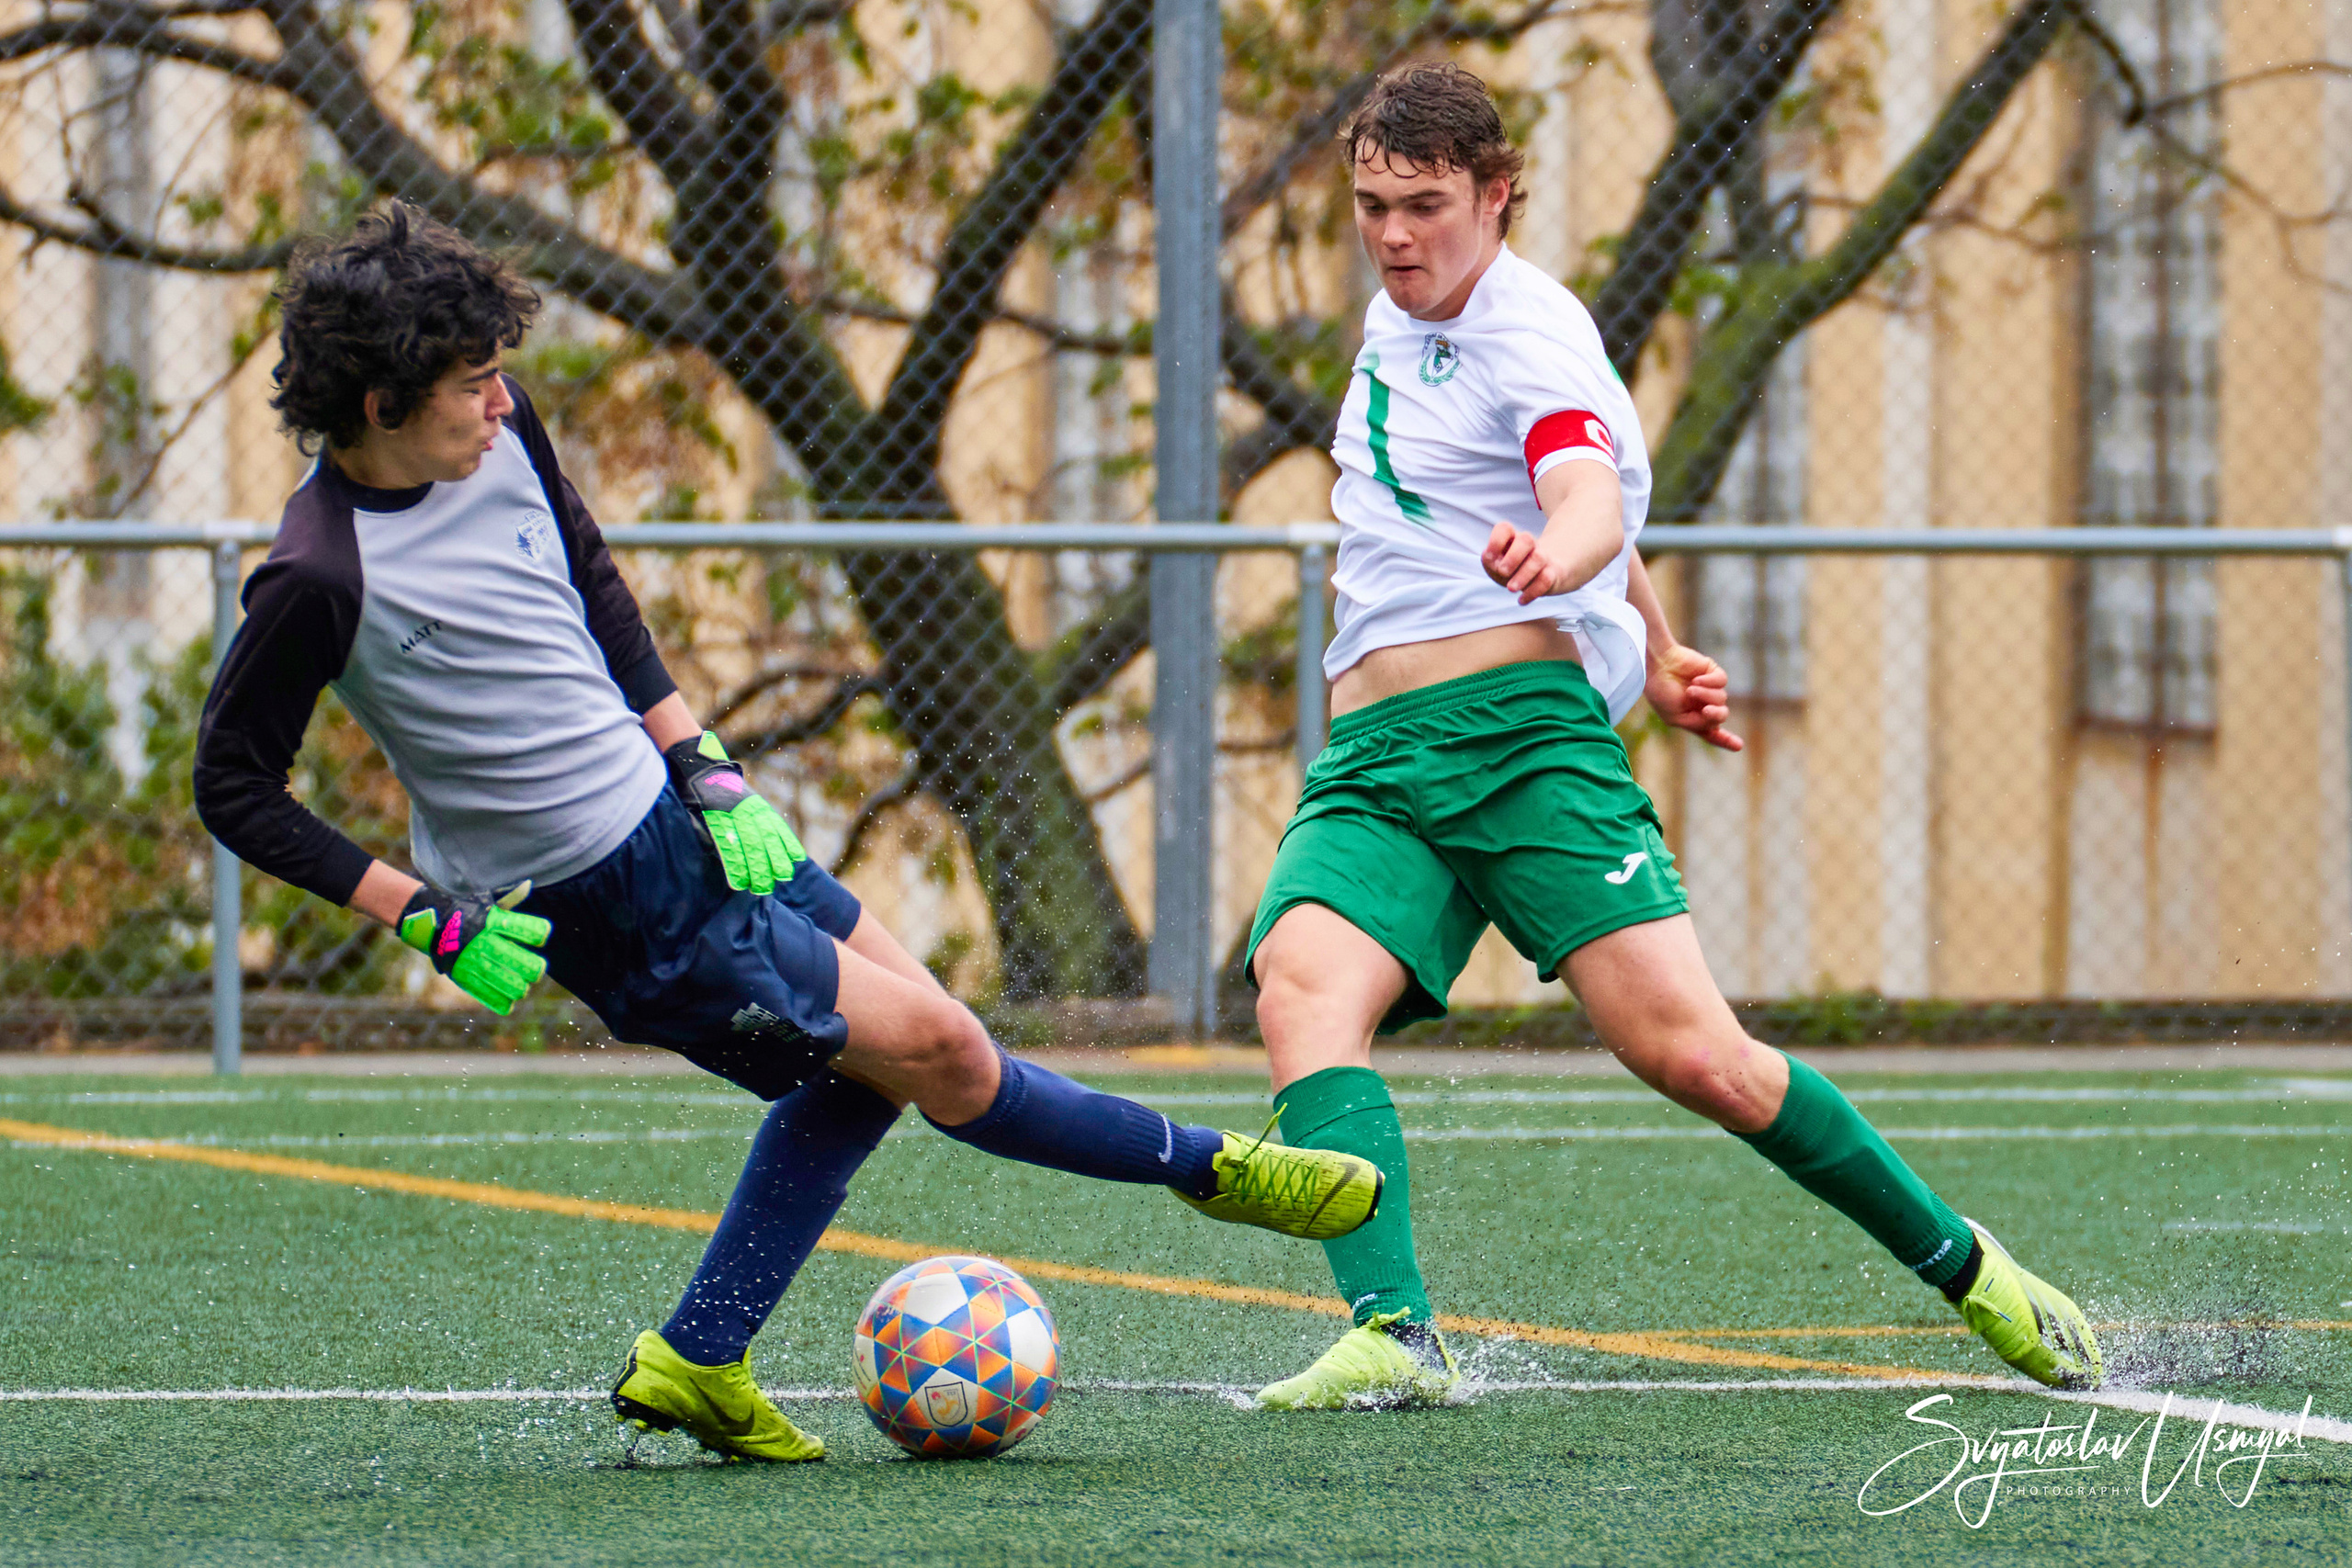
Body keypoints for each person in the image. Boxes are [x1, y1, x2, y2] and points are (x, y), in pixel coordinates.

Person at [194, 205, 1383, 1462]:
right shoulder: (318, 577)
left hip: (686, 820)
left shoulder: (502, 432)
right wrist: (420, 911)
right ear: (381, 405)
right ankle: (1208, 1170)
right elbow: (235, 786)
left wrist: (696, 753)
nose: (499, 403)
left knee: (905, 1055)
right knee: (947, 1058)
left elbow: (588, 573)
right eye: (472, 384)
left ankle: (699, 1360)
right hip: (609, 904)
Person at [1241, 63, 2101, 1409]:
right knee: (1300, 989)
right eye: (1372, 206)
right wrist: (1653, 636)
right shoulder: (1396, 313)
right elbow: (1592, 518)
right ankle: (1397, 1340)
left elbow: (1584, 485)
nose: (1396, 235)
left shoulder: (1534, 335)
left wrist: (1561, 559)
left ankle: (1966, 1265)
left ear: (1498, 195)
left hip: (1518, 746)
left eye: (1426, 207)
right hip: (1376, 759)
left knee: (1702, 1060)